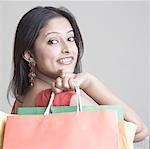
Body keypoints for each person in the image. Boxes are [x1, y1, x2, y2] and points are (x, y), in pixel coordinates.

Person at [7, 6, 148, 142]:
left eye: (70, 39)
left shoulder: (21, 100)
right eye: (53, 41)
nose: (67, 48)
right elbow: (139, 130)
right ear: (29, 55)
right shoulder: (63, 100)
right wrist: (90, 82)